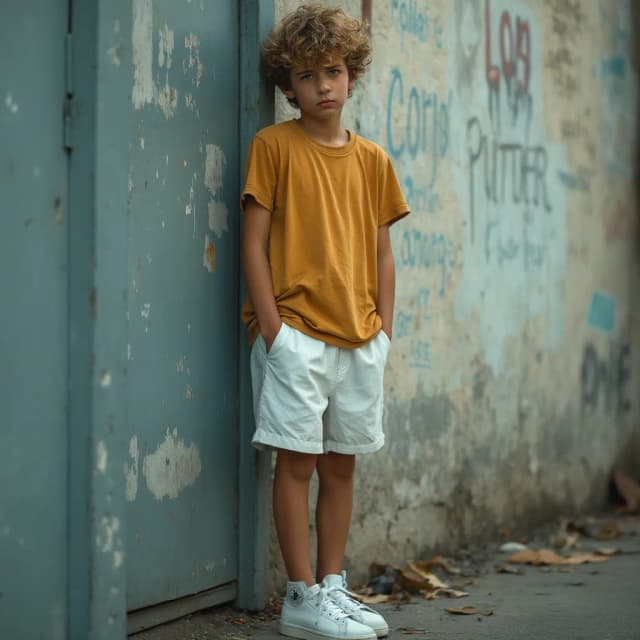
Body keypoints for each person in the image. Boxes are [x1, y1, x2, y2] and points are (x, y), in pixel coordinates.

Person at [241, 5, 409, 639]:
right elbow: (254, 244)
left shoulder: (372, 161)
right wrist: (274, 330)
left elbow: (382, 253)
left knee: (343, 465)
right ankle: (300, 596)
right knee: (298, 463)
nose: (323, 87)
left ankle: (334, 588)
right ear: (288, 88)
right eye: (307, 77)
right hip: (298, 337)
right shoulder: (273, 146)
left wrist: (384, 332)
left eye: (334, 72)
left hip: (361, 338)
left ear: (352, 75)